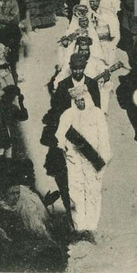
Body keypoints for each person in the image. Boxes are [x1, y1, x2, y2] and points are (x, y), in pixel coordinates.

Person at [54, 85, 110, 241]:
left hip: (92, 159)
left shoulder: (97, 114)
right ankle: (80, 227)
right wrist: (66, 146)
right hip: (75, 160)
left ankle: (91, 227)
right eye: (77, 101)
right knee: (76, 191)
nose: (80, 104)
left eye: (83, 100)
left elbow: (104, 138)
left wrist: (103, 158)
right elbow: (59, 136)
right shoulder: (68, 115)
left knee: (93, 191)